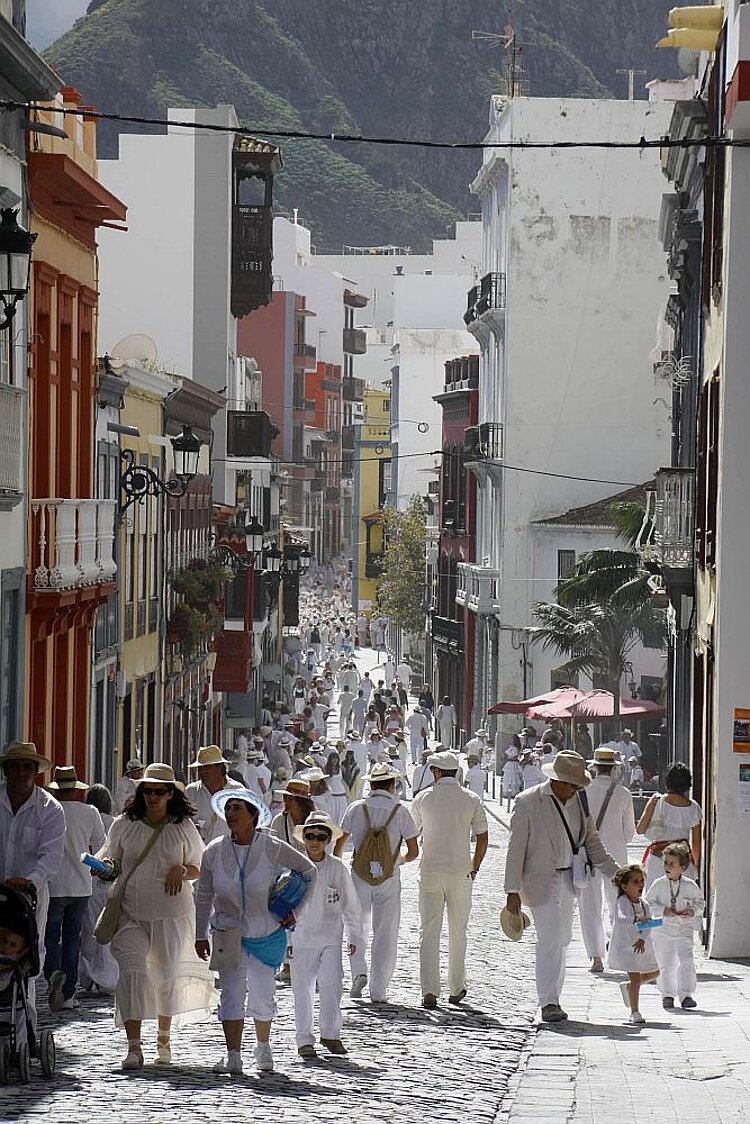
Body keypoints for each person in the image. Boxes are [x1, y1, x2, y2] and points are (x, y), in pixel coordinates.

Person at [96, 763, 215, 1069]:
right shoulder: (125, 823)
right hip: (130, 914)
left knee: (165, 979)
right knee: (132, 971)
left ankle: (163, 1037)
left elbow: (200, 866)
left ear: (171, 793)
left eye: (160, 791)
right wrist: (106, 867)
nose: (153, 796)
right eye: (148, 790)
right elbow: (110, 858)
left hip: (171, 915)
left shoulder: (183, 827)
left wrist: (182, 870)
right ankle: (134, 1046)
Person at [196, 789, 316, 1075]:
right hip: (227, 933)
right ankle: (233, 1054)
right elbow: (203, 894)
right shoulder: (214, 850)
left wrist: (295, 912)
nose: (231, 815)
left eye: (237, 809)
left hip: (266, 933)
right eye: (227, 809)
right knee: (231, 995)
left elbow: (309, 872)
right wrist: (200, 933)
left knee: (263, 994)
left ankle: (263, 1045)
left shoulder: (272, 847)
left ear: (252, 815)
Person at [503, 750, 618, 1023]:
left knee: (563, 940)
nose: (574, 789)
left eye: (577, 785)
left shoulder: (580, 802)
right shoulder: (528, 802)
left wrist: (617, 873)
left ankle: (555, 995)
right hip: (539, 880)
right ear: (557, 780)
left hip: (570, 879)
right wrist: (511, 891)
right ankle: (548, 1001)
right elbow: (514, 849)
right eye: (570, 784)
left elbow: (592, 842)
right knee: (550, 938)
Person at [336, 762, 419, 1003]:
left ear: (371, 784)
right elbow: (413, 851)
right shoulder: (401, 811)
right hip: (388, 878)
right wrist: (395, 862)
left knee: (356, 925)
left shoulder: (356, 808)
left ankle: (357, 972)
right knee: (386, 932)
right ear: (392, 784)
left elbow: (340, 845)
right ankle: (378, 989)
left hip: (359, 877)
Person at [411, 750, 488, 1008]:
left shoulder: (423, 798)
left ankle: (429, 991)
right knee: (459, 931)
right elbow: (482, 837)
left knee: (429, 931)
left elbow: (414, 832)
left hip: (430, 870)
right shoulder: (471, 799)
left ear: (435, 772)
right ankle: (456, 987)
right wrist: (475, 867)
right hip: (460, 871)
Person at [0, 741, 65, 1017]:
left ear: (36, 771)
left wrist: (30, 880)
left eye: (27, 767)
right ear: (6, 771)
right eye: (15, 767)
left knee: (27, 957)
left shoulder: (50, 809)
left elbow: (51, 855)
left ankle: (23, 1021)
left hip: (30, 897)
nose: (21, 773)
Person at [289, 812, 362, 1057]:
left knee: (332, 985)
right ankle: (304, 1039)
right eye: (310, 836)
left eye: (321, 836)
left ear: (329, 839)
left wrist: (354, 935)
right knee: (302, 990)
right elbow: (282, 904)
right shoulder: (295, 867)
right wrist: (286, 939)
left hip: (331, 937)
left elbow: (351, 905)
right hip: (301, 937)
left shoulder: (337, 868)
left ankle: (331, 1034)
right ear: (304, 838)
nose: (315, 841)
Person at [44, 765, 106, 1011]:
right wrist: (91, 864)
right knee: (72, 940)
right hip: (81, 885)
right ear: (76, 789)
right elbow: (101, 846)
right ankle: (68, 994)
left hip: (54, 884)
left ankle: (52, 975)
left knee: (50, 937)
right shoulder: (90, 811)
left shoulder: (48, 810)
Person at [577, 747, 636, 973]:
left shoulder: (583, 792)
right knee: (617, 904)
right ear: (614, 769)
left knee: (590, 905)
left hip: (588, 855)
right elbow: (629, 833)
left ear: (594, 767)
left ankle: (596, 957)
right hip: (615, 857)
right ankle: (618, 950)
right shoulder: (623, 793)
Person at [649, 841, 704, 1011]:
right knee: (665, 963)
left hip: (683, 930)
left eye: (672, 864)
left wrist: (692, 911)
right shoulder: (658, 884)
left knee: (686, 961)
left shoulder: (690, 885)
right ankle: (667, 995)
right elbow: (648, 903)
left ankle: (686, 994)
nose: (667, 866)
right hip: (663, 930)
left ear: (682, 866)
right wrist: (662, 910)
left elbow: (700, 903)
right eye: (665, 862)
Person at [79, 784, 119, 994]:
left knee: (89, 931)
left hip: (89, 882)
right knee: (108, 929)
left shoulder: (85, 819)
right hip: (111, 882)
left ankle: (88, 976)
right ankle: (109, 977)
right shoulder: (114, 823)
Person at [607, 864, 660, 1025]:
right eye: (635, 881)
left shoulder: (645, 905)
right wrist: (636, 919)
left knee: (654, 973)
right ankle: (634, 1011)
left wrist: (642, 939)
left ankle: (630, 987)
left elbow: (648, 924)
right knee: (636, 977)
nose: (640, 885)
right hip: (626, 946)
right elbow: (621, 919)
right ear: (625, 886)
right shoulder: (622, 901)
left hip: (641, 945)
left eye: (642, 880)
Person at [636, 762, 702, 890]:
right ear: (687, 784)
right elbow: (696, 841)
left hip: (658, 860)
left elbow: (640, 830)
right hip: (682, 861)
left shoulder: (656, 801)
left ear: (667, 781)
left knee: (656, 902)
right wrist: (694, 864)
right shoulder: (694, 808)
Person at [185, 745, 245, 843]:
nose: (202, 771)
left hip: (228, 852)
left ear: (220, 767)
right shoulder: (191, 792)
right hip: (200, 853)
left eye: (207, 767)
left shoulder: (237, 791)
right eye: (200, 768)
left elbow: (244, 824)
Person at [269, 778, 316, 851]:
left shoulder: (314, 821)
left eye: (290, 798)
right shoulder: (279, 820)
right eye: (285, 797)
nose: (285, 801)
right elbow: (271, 847)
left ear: (301, 802)